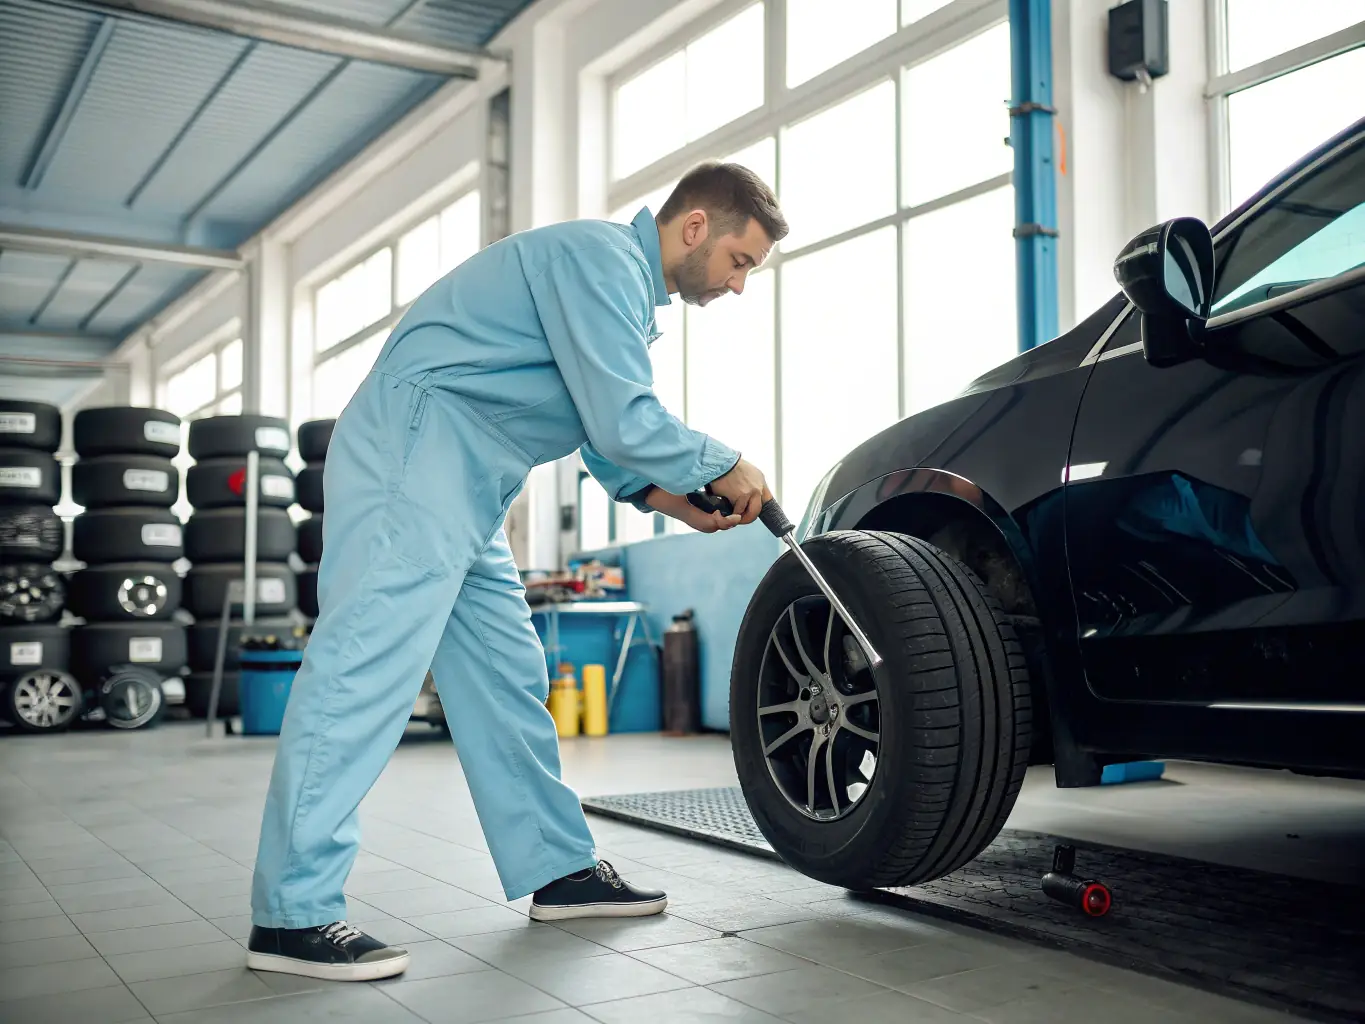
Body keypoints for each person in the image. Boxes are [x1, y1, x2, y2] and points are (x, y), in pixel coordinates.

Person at [245, 161, 789, 981]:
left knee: (507, 673)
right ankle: (291, 915)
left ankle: (556, 870)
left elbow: (598, 424)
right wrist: (725, 462)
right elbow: (621, 414)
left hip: (472, 480)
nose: (738, 285)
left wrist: (667, 499)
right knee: (363, 669)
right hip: (417, 450)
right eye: (740, 261)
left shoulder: (623, 297)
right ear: (693, 228)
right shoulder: (598, 258)